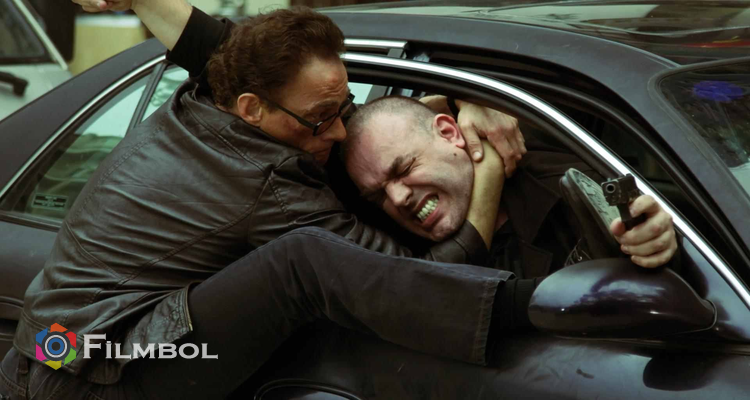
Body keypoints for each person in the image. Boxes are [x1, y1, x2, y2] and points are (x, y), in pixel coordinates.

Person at [0, 4, 528, 400]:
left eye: (344, 104)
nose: (339, 130)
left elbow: (212, 40)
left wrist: (463, 96)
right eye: (321, 118)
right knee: (304, 259)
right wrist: (487, 169)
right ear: (253, 109)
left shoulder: (219, 87)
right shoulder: (271, 185)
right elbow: (424, 282)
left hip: (48, 343)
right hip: (88, 372)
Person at [340, 96, 679, 313]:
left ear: (449, 133)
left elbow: (655, 279)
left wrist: (658, 242)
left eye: (403, 169)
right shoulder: (387, 252)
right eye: (378, 196)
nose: (397, 198)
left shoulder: (566, 191)